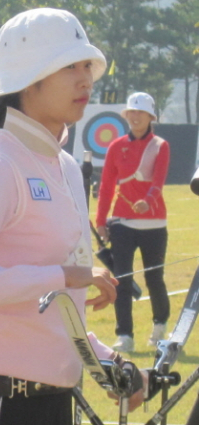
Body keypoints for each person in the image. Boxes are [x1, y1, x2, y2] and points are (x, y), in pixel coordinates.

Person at [0, 8, 144, 425]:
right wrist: (65, 274)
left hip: (52, 401)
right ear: (29, 81)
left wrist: (105, 360)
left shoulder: (65, 167)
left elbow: (54, 310)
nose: (85, 78)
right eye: (69, 66)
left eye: (87, 65)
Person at [96, 92, 170, 352]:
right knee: (122, 279)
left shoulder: (160, 145)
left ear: (150, 117)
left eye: (140, 112)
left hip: (154, 223)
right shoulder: (116, 146)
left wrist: (148, 201)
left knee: (154, 279)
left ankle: (160, 327)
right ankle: (124, 334)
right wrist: (101, 220)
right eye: (131, 112)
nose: (135, 117)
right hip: (122, 223)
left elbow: (158, 181)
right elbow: (106, 187)